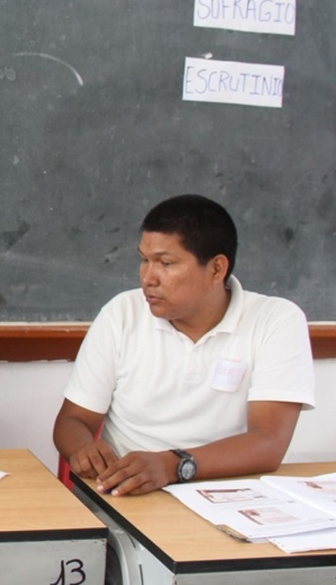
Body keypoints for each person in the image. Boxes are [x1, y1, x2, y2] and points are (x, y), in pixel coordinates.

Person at [53, 194, 315, 496]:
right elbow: (73, 420)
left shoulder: (275, 320)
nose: (147, 278)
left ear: (216, 269)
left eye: (166, 263)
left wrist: (172, 466)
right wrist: (83, 449)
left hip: (230, 495)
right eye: (144, 260)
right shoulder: (122, 313)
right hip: (129, 494)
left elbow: (268, 443)